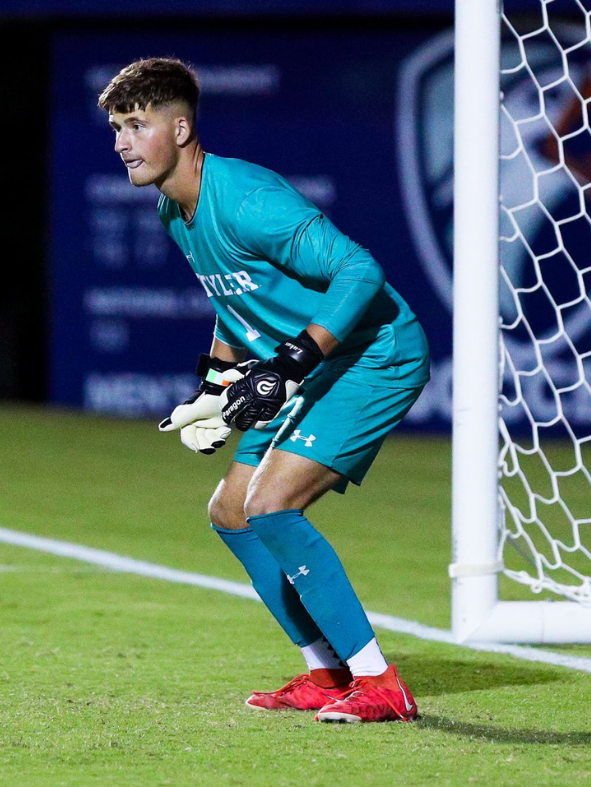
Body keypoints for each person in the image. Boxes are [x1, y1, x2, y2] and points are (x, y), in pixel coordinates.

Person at [98, 57, 430, 724]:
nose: (123, 143)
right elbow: (234, 304)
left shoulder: (247, 201)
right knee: (231, 511)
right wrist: (214, 385)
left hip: (374, 354)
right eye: (116, 128)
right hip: (313, 363)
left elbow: (359, 270)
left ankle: (379, 682)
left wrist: (294, 359)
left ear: (181, 129)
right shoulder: (173, 208)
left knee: (271, 504)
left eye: (136, 125)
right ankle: (327, 672)